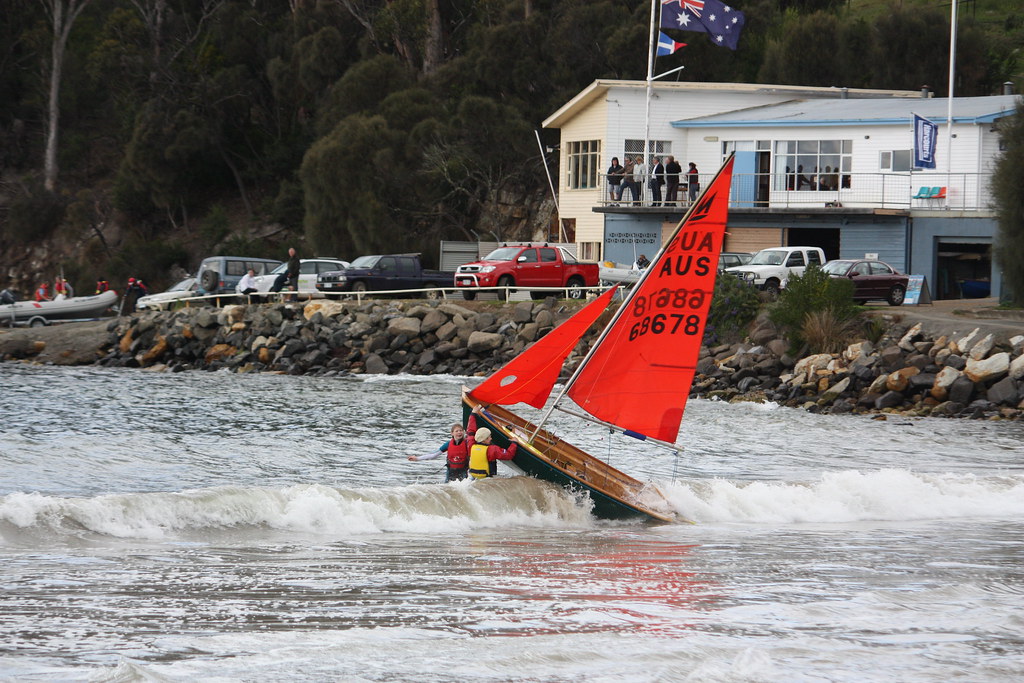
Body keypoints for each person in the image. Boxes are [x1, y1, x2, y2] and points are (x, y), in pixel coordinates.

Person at [408, 412, 478, 482]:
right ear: (452, 433)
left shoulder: (467, 443)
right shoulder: (448, 444)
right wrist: (417, 458)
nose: (459, 432)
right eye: (457, 431)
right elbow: (433, 455)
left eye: (461, 431)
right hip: (451, 471)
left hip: (463, 471)